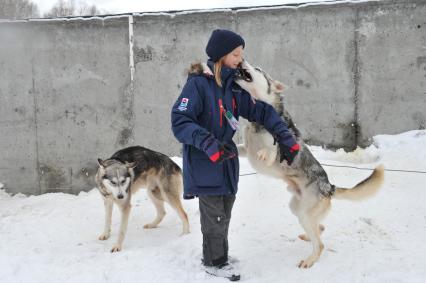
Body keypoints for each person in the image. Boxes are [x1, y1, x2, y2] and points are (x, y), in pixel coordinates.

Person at [171, 29, 300, 281]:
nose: (240, 60)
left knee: (225, 212)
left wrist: (285, 136)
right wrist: (208, 143)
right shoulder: (197, 85)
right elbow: (179, 120)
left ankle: (220, 255)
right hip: (205, 160)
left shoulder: (231, 88)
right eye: (235, 54)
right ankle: (214, 262)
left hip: (225, 162)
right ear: (220, 56)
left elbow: (261, 111)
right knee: (214, 216)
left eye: (241, 54)